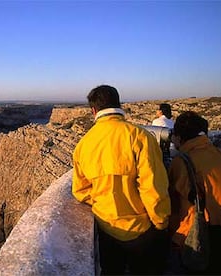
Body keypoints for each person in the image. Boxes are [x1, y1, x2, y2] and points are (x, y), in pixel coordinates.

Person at [72, 85, 171, 275]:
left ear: (93, 110)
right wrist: (161, 224)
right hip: (141, 231)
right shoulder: (140, 137)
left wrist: (105, 201)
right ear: (119, 104)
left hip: (106, 229)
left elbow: (80, 191)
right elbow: (154, 188)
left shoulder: (83, 145)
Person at [168, 111, 221, 275]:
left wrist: (177, 240)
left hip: (217, 231)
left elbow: (187, 208)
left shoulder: (183, 161)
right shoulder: (218, 153)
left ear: (179, 136)